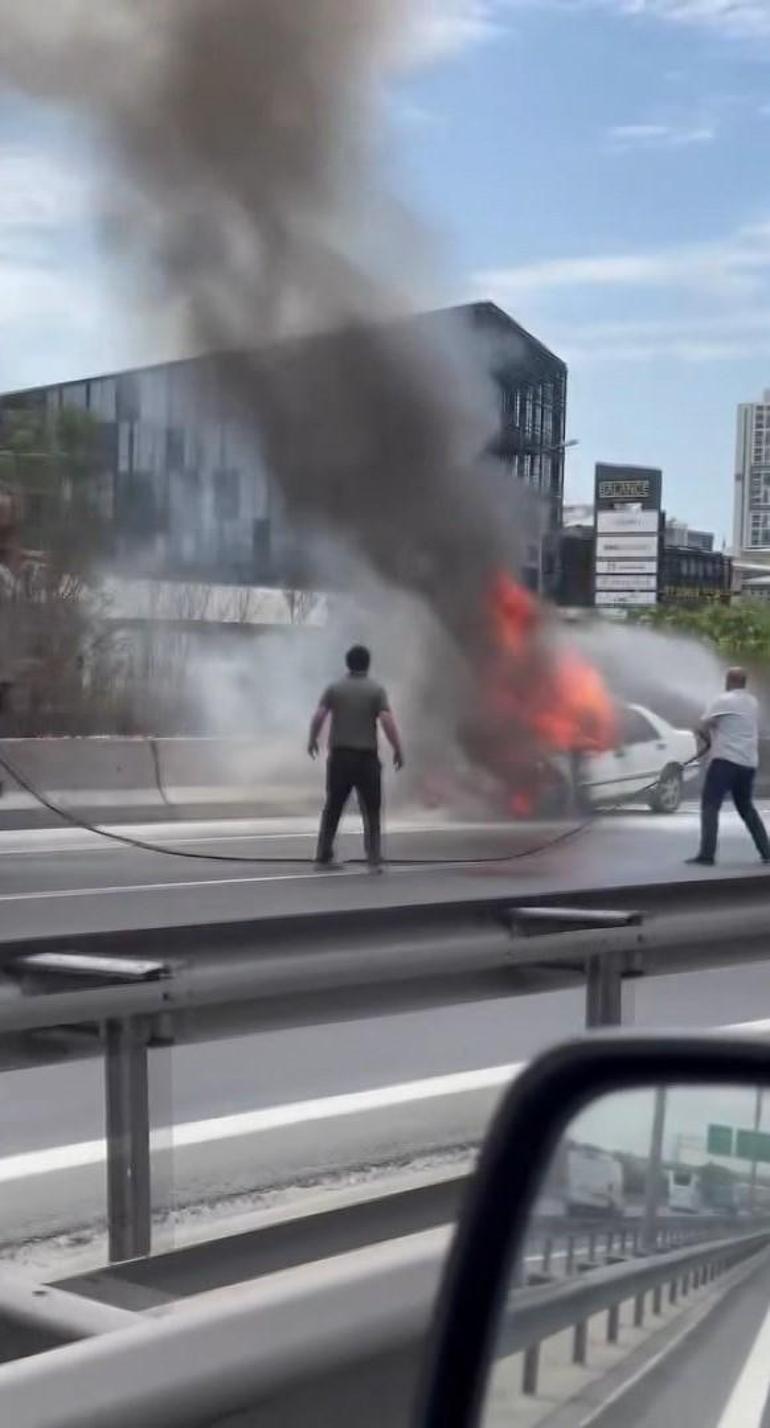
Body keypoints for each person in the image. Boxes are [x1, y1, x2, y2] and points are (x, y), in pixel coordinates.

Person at [308, 645, 404, 872]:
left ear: (347, 663)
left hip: (340, 757)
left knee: (333, 806)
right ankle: (373, 855)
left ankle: (323, 853)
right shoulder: (376, 690)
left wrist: (312, 739)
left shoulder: (334, 688)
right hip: (366, 759)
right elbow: (386, 720)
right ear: (367, 663)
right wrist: (397, 748)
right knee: (371, 808)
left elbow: (320, 714)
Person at [687, 667, 770, 867]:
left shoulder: (723, 700)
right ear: (744, 682)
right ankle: (766, 851)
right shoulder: (752, 702)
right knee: (746, 807)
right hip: (748, 762)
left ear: (729, 681)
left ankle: (707, 854)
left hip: (725, 761)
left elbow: (701, 726)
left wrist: (707, 740)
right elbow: (734, 722)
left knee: (710, 805)